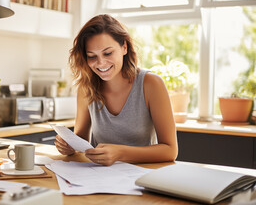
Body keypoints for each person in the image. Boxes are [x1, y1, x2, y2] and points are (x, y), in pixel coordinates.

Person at [55, 14, 178, 166]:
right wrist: (69, 146)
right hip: (98, 175)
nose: (100, 63)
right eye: (92, 56)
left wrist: (120, 153)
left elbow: (170, 151)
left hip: (141, 177)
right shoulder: (86, 88)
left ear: (124, 47)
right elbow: (81, 139)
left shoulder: (151, 84)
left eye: (108, 53)